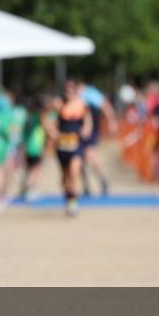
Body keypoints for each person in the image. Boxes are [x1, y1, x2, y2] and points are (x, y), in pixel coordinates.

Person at [55, 80, 92, 216]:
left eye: (71, 90)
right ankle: (68, 197)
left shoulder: (81, 104)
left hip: (76, 144)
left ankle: (73, 201)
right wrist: (53, 132)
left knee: (74, 171)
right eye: (66, 90)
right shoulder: (59, 104)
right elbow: (47, 117)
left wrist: (87, 128)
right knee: (65, 177)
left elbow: (88, 118)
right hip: (62, 145)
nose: (68, 92)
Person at [80, 82, 118, 196]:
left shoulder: (91, 93)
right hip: (79, 131)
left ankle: (102, 179)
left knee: (90, 156)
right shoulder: (74, 95)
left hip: (91, 131)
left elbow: (105, 106)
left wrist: (112, 121)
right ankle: (86, 186)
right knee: (79, 159)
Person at [20, 95, 48, 200]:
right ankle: (30, 189)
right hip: (36, 147)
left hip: (28, 147)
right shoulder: (38, 118)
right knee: (36, 169)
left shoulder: (28, 117)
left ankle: (25, 188)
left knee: (29, 169)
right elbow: (46, 127)